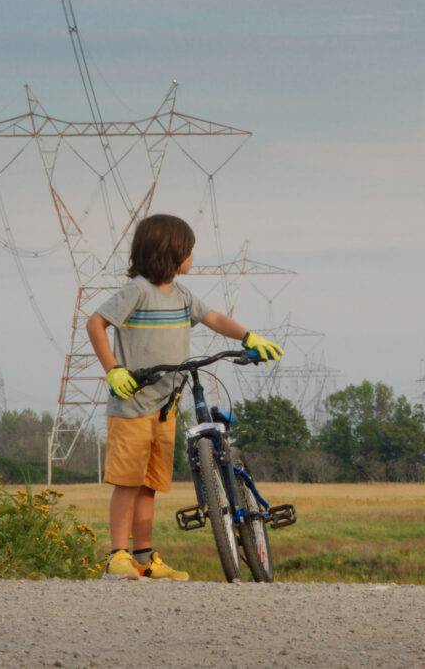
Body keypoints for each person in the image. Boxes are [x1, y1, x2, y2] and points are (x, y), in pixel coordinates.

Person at [85, 213, 282, 581]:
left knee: (149, 485)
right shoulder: (137, 291)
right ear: (170, 252)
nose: (192, 256)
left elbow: (215, 318)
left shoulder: (182, 296)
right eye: (189, 250)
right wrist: (113, 369)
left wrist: (248, 337)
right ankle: (117, 556)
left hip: (166, 406)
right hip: (132, 405)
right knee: (128, 482)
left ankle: (144, 557)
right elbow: (95, 323)